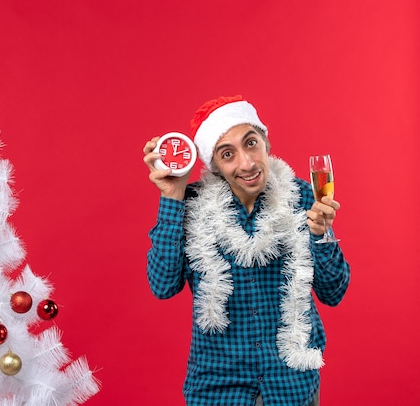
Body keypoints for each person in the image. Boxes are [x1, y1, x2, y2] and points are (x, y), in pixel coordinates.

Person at [143, 95, 350, 406]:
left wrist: (322, 234)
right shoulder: (191, 206)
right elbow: (162, 285)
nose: (247, 163)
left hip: (291, 385)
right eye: (228, 154)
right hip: (217, 386)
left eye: (251, 143)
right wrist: (173, 196)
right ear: (214, 165)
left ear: (266, 142)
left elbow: (333, 292)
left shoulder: (302, 197)